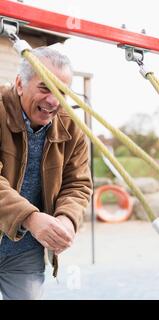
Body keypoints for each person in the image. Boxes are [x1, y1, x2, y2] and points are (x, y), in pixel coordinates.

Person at [0, 47, 92, 299]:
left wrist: (66, 219)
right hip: (28, 228)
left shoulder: (72, 125)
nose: (53, 100)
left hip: (24, 251)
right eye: (44, 88)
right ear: (20, 84)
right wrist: (30, 218)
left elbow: (78, 183)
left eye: (62, 92)